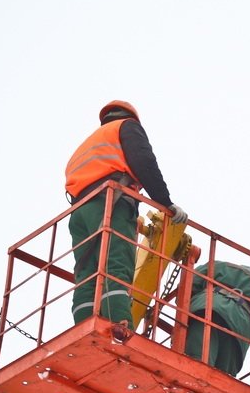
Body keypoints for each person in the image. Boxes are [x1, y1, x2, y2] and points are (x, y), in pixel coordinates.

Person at [64, 100, 188, 326]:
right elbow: (144, 162)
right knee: (117, 261)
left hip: (79, 211)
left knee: (87, 271)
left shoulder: (88, 143)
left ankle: (84, 325)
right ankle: (120, 325)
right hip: (112, 201)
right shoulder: (127, 126)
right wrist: (165, 202)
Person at [185, 262, 250, 377]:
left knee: (195, 362)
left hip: (209, 308)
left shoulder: (217, 266)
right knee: (222, 378)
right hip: (240, 329)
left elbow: (188, 285)